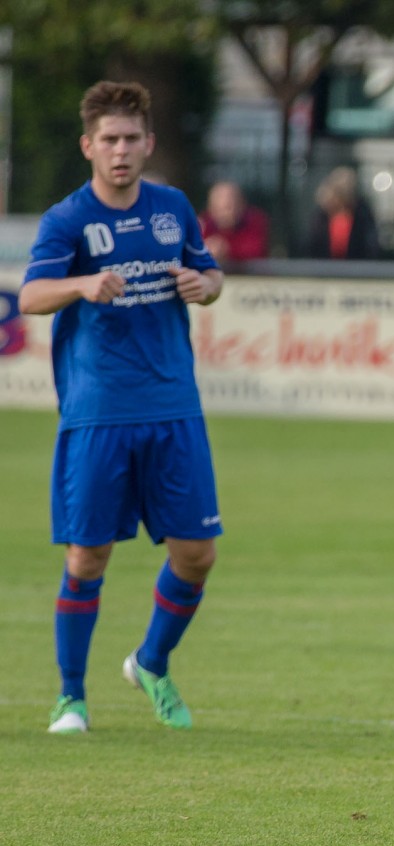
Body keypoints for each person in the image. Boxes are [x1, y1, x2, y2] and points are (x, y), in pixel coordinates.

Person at [20, 80, 227, 734]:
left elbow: (212, 274)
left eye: (132, 139)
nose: (120, 150)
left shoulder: (173, 208)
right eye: (109, 139)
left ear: (149, 143)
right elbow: (30, 298)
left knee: (198, 553)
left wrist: (207, 285)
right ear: (88, 145)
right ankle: (71, 697)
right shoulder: (68, 220)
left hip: (173, 405)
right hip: (98, 410)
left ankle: (152, 660)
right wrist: (82, 282)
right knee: (88, 558)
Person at [306, 166, 381, 260]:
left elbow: (368, 244)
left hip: (355, 267)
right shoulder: (322, 216)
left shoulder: (361, 213)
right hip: (325, 267)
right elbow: (314, 245)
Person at [198, 180, 270, 264]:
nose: (227, 213)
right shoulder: (201, 225)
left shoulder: (255, 222)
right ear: (211, 208)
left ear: (242, 204)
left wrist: (226, 249)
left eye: (230, 207)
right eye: (221, 208)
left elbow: (256, 251)